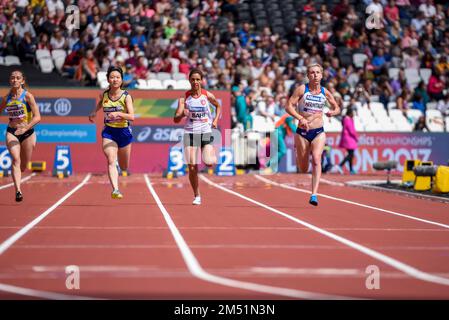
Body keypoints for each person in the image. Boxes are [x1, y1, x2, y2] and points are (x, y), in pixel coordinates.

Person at [285, 63, 340, 206]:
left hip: (318, 131)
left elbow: (337, 107)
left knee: (316, 159)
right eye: (312, 73)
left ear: (321, 75)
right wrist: (300, 118)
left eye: (317, 72)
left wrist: (333, 112)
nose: (315, 75)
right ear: (308, 75)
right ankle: (300, 153)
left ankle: (314, 194)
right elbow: (288, 106)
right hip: (303, 132)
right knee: (303, 169)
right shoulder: (302, 89)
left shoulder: (325, 92)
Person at [174, 68, 221, 205]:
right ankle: (197, 195)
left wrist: (216, 120)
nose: (195, 82)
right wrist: (182, 113)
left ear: (202, 81)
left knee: (209, 162)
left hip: (205, 131)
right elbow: (176, 119)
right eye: (193, 79)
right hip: (190, 133)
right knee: (192, 167)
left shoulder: (207, 95)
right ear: (189, 81)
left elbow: (218, 106)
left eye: (198, 79)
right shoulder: (184, 99)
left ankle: (211, 153)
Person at [89, 66, 135, 199]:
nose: (115, 80)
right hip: (109, 132)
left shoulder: (126, 96)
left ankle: (121, 168)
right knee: (111, 159)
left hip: (124, 132)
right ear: (108, 79)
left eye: (117, 77)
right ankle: (115, 189)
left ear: (121, 80)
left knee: (124, 166)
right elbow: (101, 103)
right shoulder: (104, 95)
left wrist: (119, 114)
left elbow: (132, 116)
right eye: (112, 77)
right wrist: (94, 112)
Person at [0, 70, 41, 202]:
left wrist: (25, 128)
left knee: (23, 166)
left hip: (27, 133)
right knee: (15, 159)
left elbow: (38, 117)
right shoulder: (7, 98)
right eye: (12, 78)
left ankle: (20, 174)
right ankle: (18, 190)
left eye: (18, 78)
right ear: (10, 81)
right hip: (12, 132)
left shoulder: (28, 96)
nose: (15, 80)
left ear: (22, 81)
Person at [338, 108, 358, 175]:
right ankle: (340, 165)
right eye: (353, 113)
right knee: (351, 154)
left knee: (350, 154)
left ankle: (351, 169)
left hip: (348, 138)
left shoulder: (346, 119)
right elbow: (351, 130)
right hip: (349, 138)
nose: (354, 115)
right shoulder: (348, 119)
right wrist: (356, 137)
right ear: (350, 113)